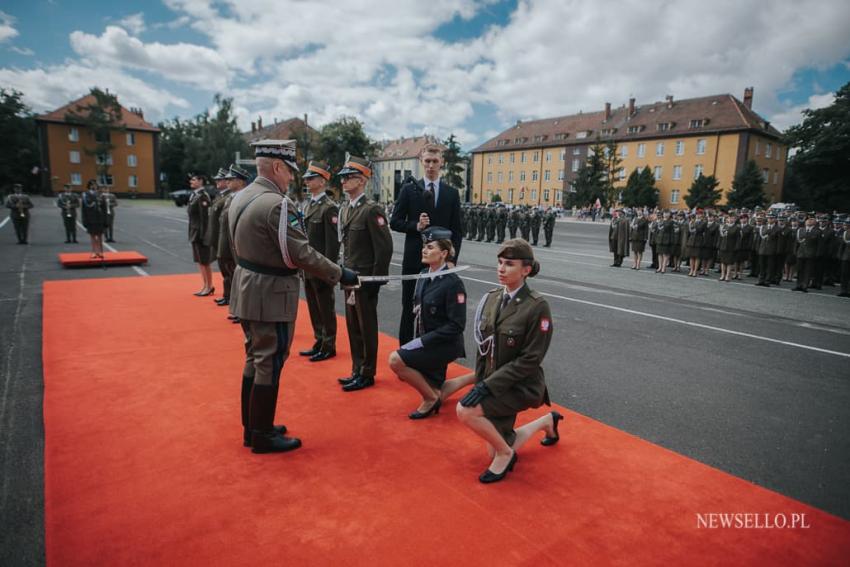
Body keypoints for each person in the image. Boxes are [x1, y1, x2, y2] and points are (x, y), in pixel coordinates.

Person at [228, 139, 358, 453]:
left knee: (255, 357)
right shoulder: (278, 204)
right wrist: (340, 274)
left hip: (246, 287)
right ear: (276, 167)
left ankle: (252, 428)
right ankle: (261, 435)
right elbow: (300, 253)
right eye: (289, 172)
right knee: (269, 361)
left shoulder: (241, 196)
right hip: (270, 294)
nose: (292, 179)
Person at [447, 239, 557, 484]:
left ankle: (507, 454)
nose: (501, 268)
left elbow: (530, 359)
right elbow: (483, 350)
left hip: (521, 386)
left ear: (526, 270)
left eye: (509, 264)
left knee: (465, 412)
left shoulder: (537, 307)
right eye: (499, 262)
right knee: (492, 447)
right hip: (495, 383)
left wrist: (487, 387)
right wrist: (480, 382)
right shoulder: (492, 298)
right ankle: (546, 422)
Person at [388, 226, 466, 419]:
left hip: (444, 344)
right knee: (439, 389)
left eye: (430, 247)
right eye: (424, 246)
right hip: (428, 340)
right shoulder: (424, 275)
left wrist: (421, 343)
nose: (424, 250)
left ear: (444, 253)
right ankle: (478, 376)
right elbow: (418, 314)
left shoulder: (453, 283)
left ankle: (430, 400)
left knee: (396, 361)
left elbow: (457, 325)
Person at [389, 143, 462, 347]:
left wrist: (451, 260)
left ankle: (430, 354)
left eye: (435, 161)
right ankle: (405, 351)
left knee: (437, 309)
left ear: (442, 163)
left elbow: (457, 231)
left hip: (440, 263)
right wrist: (416, 225)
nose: (431, 165)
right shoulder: (409, 190)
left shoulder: (451, 193)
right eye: (427, 161)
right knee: (409, 308)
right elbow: (394, 221)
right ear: (421, 162)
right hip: (414, 259)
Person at [337, 155, 394, 392]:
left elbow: (384, 248)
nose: (342, 182)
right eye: (342, 178)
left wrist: (375, 280)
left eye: (347, 177)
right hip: (350, 278)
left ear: (361, 180)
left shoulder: (371, 210)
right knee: (353, 326)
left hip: (365, 281)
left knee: (367, 327)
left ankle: (367, 372)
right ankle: (356, 369)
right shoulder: (347, 209)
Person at [298, 161, 341, 362]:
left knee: (325, 306)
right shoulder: (308, 205)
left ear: (322, 181)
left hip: (321, 267)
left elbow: (332, 245)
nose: (307, 181)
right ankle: (319, 339)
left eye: (311, 178)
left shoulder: (329, 208)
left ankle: (329, 344)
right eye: (306, 178)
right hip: (308, 266)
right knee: (314, 307)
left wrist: (328, 271)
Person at [216, 165, 251, 310]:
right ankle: (232, 302)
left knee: (238, 277)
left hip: (237, 244)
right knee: (229, 273)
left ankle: (240, 309)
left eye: (231, 179)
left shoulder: (243, 198)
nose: (227, 181)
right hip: (227, 242)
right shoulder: (230, 198)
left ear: (241, 182)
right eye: (228, 179)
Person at [187, 173, 216, 296]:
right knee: (200, 261)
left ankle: (209, 286)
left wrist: (205, 236)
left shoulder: (203, 196)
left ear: (200, 181)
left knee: (205, 261)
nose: (191, 182)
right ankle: (205, 285)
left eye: (193, 180)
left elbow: (205, 219)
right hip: (195, 232)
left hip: (200, 234)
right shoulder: (195, 195)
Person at [207, 167, 232, 305]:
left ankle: (229, 297)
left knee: (228, 270)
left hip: (223, 239)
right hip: (218, 238)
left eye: (220, 179)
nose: (217, 182)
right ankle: (227, 295)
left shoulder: (228, 197)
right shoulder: (221, 196)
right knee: (224, 270)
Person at [793, 214, 821, 293]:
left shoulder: (817, 231)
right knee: (799, 270)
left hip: (810, 254)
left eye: (811, 219)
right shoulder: (801, 230)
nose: (809, 221)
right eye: (808, 219)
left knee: (807, 271)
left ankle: (805, 285)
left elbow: (819, 245)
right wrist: (795, 251)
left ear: (815, 222)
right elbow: (796, 243)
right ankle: (798, 285)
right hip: (800, 253)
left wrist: (817, 254)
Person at [80, 180, 105, 258]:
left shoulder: (101, 195)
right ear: (89, 186)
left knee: (100, 236)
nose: (93, 186)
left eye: (95, 185)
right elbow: (83, 209)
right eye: (91, 185)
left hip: (100, 218)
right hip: (90, 218)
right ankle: (94, 252)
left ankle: (101, 252)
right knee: (93, 236)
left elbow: (104, 207)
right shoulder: (85, 195)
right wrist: (84, 219)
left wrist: (106, 220)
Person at [717, 212, 740, 281]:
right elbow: (720, 237)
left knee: (729, 262)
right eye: (729, 218)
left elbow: (738, 239)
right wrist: (719, 245)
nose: (730, 219)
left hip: (731, 246)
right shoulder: (724, 226)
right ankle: (722, 275)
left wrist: (736, 247)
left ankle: (727, 275)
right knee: (723, 261)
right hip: (723, 246)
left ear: (735, 219)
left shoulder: (736, 228)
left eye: (732, 218)